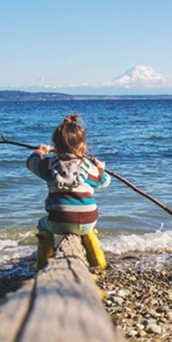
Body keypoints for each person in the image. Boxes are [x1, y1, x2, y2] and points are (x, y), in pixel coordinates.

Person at [27, 114, 111, 270]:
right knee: (88, 228)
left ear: (55, 147)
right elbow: (104, 182)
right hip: (88, 218)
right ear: (84, 147)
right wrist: (100, 168)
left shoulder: (48, 165)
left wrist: (40, 152)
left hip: (59, 220)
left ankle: (42, 264)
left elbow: (31, 163)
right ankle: (99, 263)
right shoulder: (89, 167)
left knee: (42, 225)